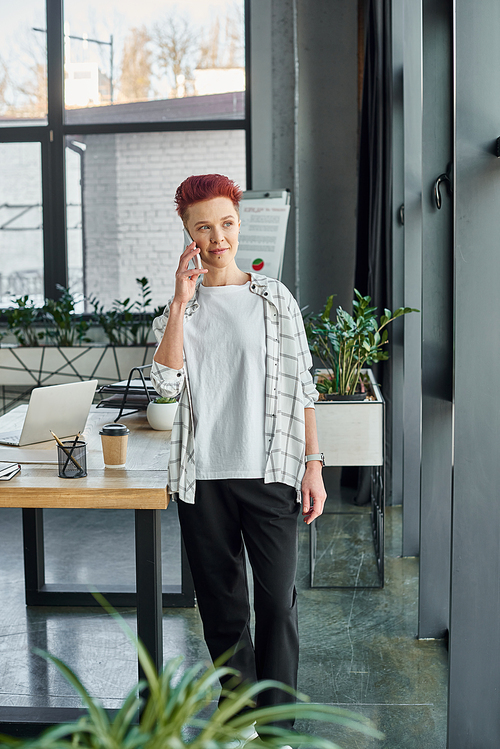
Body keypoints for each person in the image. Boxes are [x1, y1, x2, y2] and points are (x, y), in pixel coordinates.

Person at [150, 174, 327, 734]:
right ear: (188, 236)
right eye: (203, 227)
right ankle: (241, 721)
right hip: (203, 478)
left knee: (276, 605)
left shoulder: (274, 300)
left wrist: (314, 465)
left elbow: (304, 389)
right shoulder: (178, 311)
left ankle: (276, 732)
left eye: (225, 223)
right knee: (224, 613)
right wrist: (180, 303)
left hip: (271, 470)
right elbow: (163, 386)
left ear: (239, 224)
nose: (217, 236)